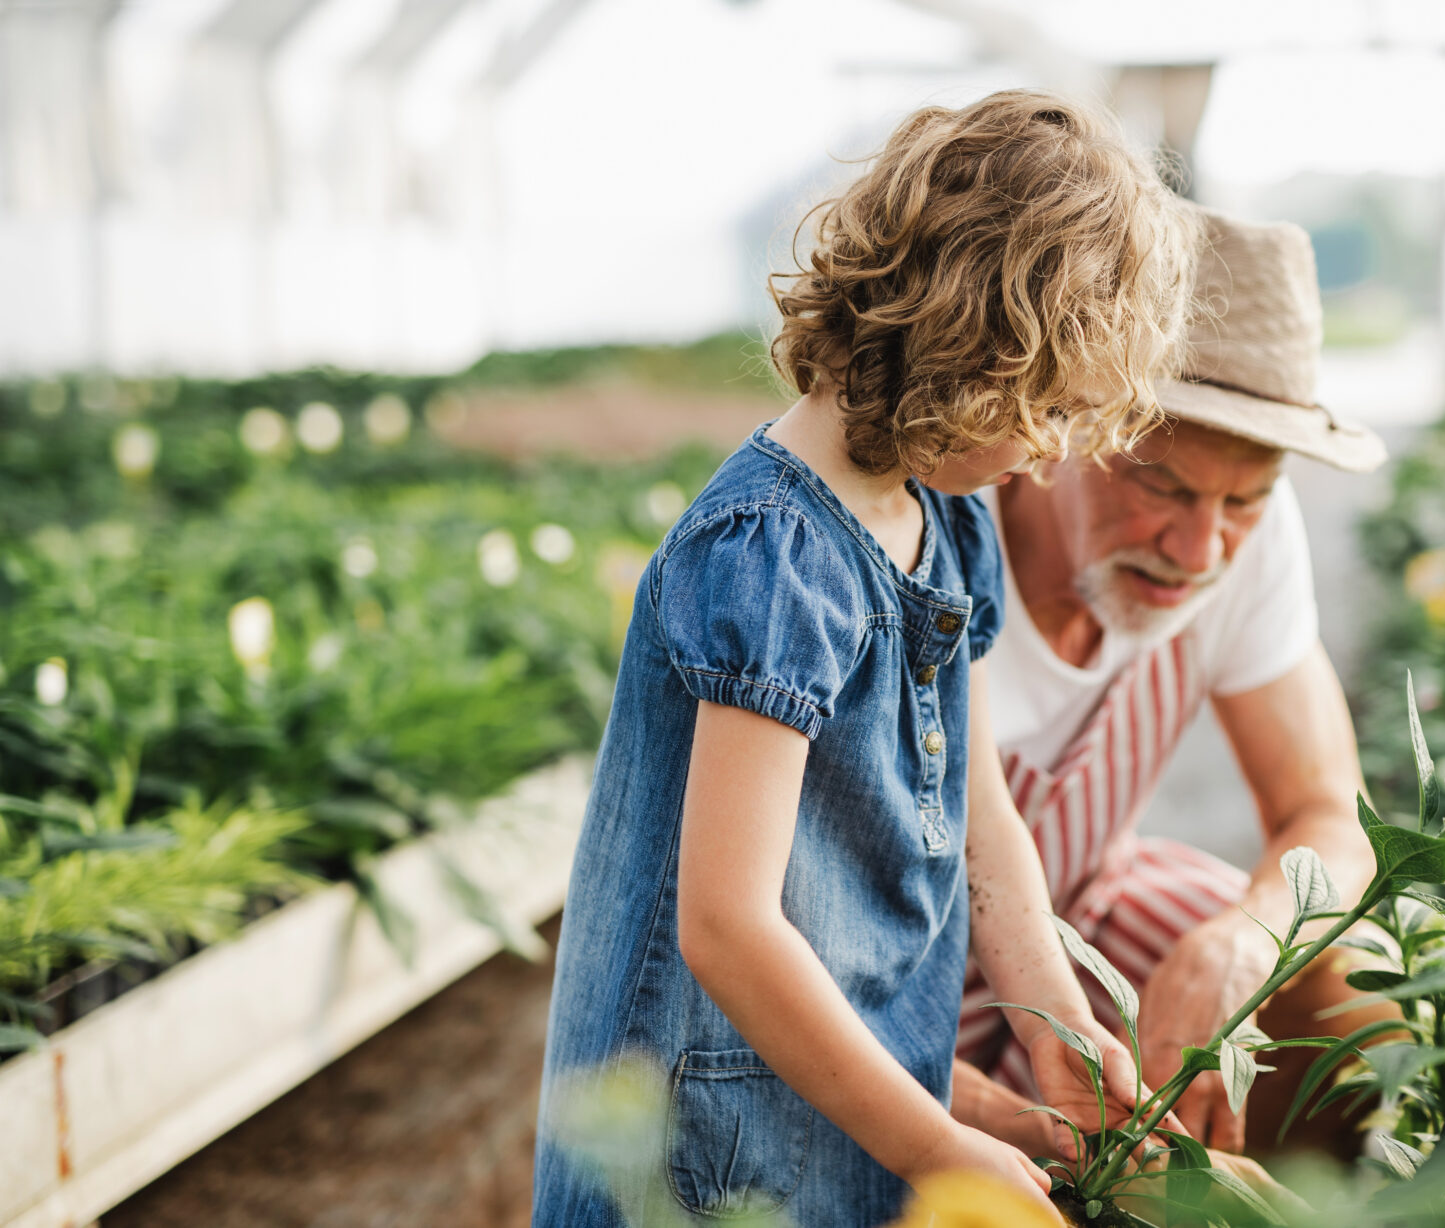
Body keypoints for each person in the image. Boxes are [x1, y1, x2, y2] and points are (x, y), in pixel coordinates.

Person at [530, 91, 1199, 1227]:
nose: (1044, 451)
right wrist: (939, 1141)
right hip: (701, 1147)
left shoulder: (947, 522)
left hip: (842, 1105)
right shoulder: (774, 552)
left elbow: (986, 823)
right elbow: (726, 926)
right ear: (968, 351)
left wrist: (1060, 1036)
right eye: (1038, 409)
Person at [948, 208, 1396, 1159]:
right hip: (888, 974)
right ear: (1062, 418)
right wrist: (996, 1126)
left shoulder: (1247, 539)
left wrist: (1243, 938)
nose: (1200, 550)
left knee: (1350, 989)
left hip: (1086, 912)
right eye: (1162, 485)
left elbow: (1328, 815)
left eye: (1243, 500)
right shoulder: (936, 537)